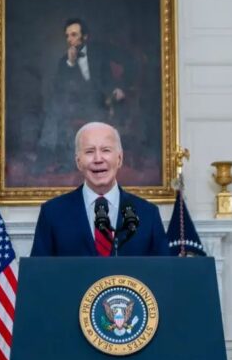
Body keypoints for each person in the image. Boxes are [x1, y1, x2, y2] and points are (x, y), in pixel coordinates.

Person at [31, 121, 169, 257]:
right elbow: (38, 275)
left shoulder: (148, 214)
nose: (98, 159)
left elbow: (163, 274)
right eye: (89, 151)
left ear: (119, 159)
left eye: (106, 150)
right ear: (78, 162)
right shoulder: (52, 213)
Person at [37, 19, 135, 175]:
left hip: (101, 103)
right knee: (56, 110)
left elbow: (130, 62)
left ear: (85, 37)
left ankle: (48, 158)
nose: (70, 39)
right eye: (67, 36)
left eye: (74, 35)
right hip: (76, 105)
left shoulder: (100, 52)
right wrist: (70, 63)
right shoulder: (65, 61)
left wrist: (120, 87)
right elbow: (59, 88)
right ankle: (50, 157)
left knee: (57, 112)